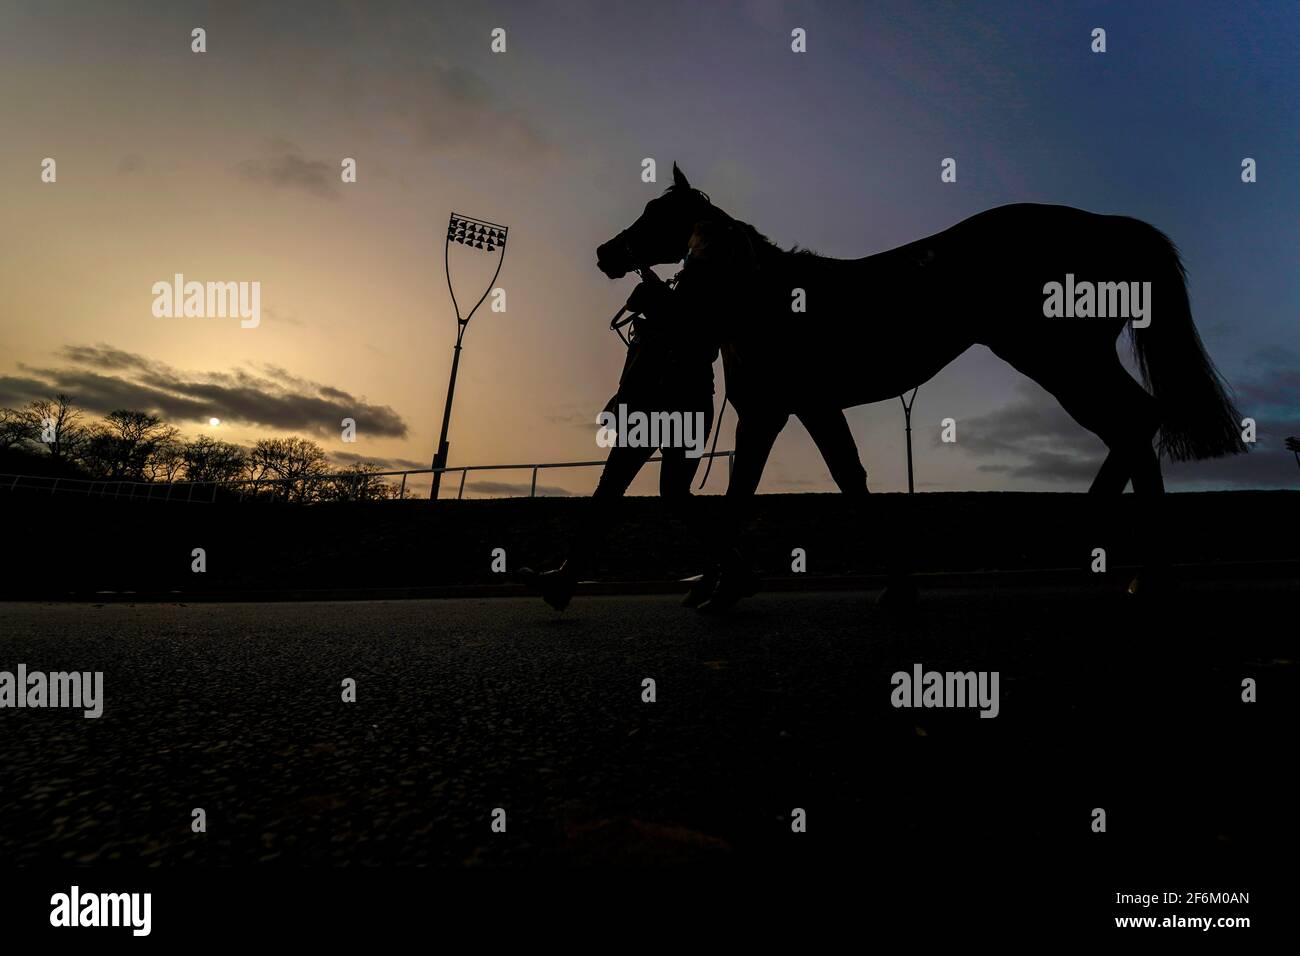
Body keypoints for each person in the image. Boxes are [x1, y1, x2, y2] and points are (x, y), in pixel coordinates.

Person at [518, 269, 719, 610]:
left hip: (675, 405)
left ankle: (726, 567)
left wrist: (658, 299)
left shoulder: (696, 311)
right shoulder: (665, 320)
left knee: (654, 492)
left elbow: (695, 343)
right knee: (632, 491)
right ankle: (568, 577)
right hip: (657, 406)